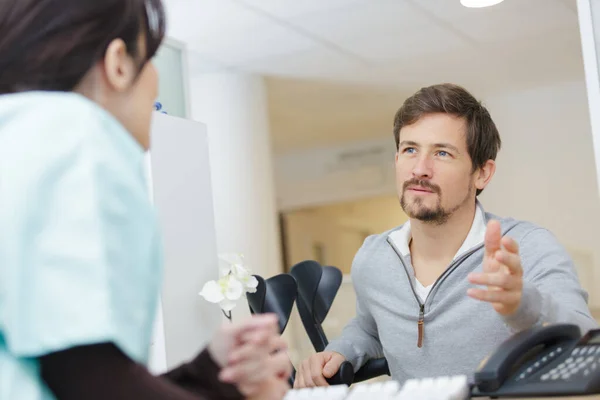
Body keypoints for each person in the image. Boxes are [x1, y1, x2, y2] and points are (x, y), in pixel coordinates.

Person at [0, 1, 290, 399]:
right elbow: (90, 381)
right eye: (151, 59)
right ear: (118, 63)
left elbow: (63, 374)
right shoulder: (79, 134)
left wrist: (204, 373)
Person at [293, 83, 599, 388]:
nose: (420, 169)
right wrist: (339, 351)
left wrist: (523, 305)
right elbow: (369, 328)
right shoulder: (373, 256)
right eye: (410, 149)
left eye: (442, 153)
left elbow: (586, 337)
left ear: (482, 173)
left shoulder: (528, 246)